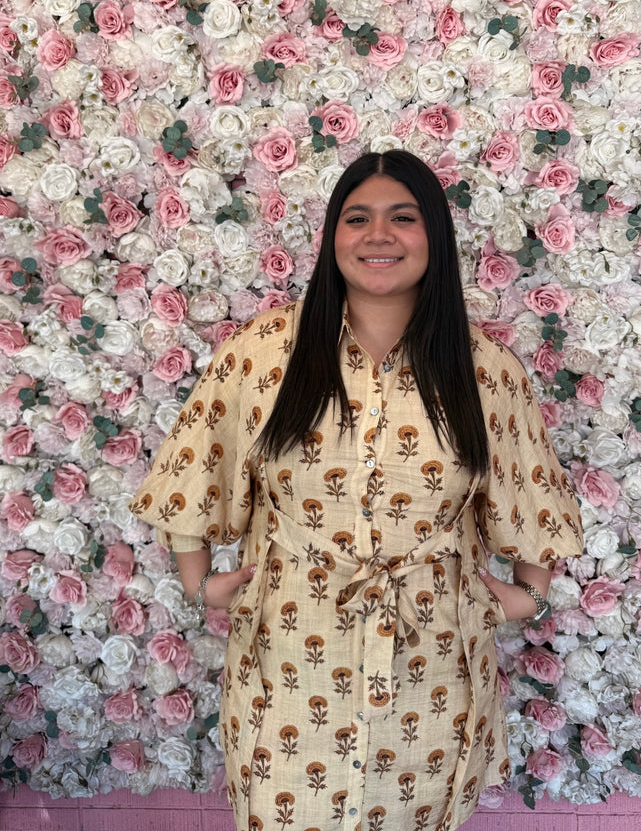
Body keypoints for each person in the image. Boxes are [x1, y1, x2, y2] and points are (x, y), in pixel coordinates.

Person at [130, 150, 583, 831]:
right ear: (332, 236)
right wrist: (199, 584)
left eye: (403, 218)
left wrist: (529, 596)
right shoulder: (264, 352)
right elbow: (194, 468)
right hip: (288, 671)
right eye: (357, 218)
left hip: (432, 677)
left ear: (434, 235)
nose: (379, 235)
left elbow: (533, 496)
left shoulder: (484, 369)